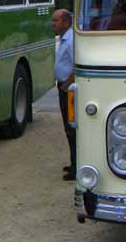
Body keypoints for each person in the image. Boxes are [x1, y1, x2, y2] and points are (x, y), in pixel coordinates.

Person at [52, 9, 75, 180]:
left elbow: (77, 65)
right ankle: (74, 163)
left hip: (69, 89)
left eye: (56, 21)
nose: (53, 24)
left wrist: (66, 86)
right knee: (68, 129)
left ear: (66, 21)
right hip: (64, 87)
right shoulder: (64, 39)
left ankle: (77, 167)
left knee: (72, 128)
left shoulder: (72, 40)